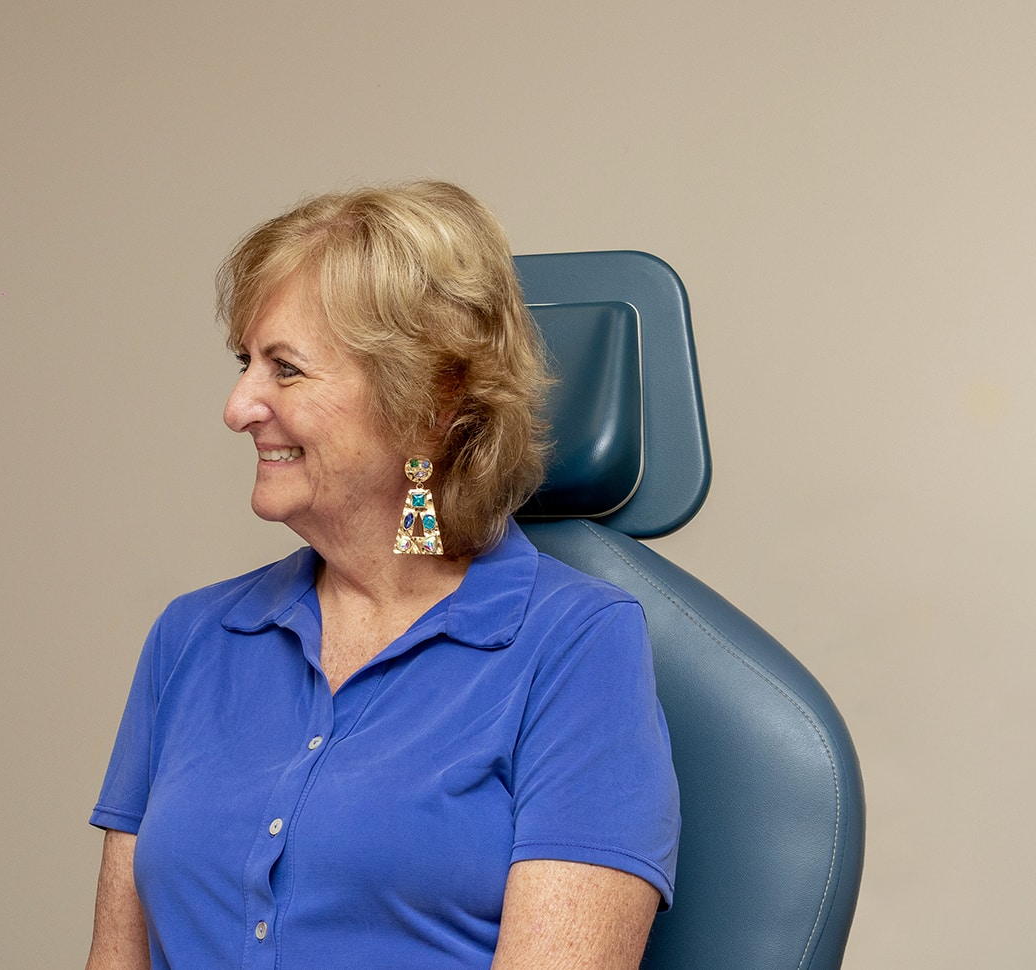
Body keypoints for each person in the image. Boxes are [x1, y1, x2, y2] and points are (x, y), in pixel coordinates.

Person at [85, 182, 678, 970]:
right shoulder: (192, 638)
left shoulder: (575, 646)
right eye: (244, 363)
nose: (238, 407)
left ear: (429, 405)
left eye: (285, 369)